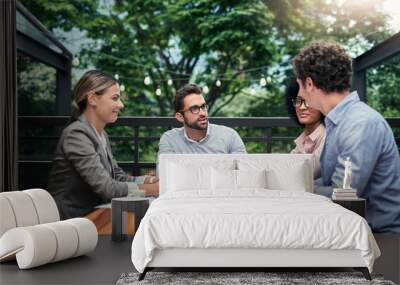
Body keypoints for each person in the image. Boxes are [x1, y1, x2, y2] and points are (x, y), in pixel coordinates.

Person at [293, 41, 400, 233]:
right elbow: (329, 182)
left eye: (300, 86)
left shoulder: (359, 123)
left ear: (309, 84)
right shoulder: (339, 121)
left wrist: (296, 189)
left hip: (380, 239)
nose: (300, 94)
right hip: (357, 229)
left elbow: (344, 193)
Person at [48, 70, 158, 219]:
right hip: (71, 222)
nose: (121, 105)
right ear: (92, 99)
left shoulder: (101, 134)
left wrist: (148, 180)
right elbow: (106, 188)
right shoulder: (76, 135)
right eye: (115, 98)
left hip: (94, 215)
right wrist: (152, 189)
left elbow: (117, 177)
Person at [158, 83, 246, 161]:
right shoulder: (170, 139)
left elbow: (244, 172)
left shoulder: (229, 136)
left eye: (203, 106)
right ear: (180, 117)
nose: (203, 113)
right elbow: (164, 174)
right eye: (194, 109)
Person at [285, 78, 326, 178]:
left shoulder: (327, 137)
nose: (302, 107)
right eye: (298, 101)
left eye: (308, 101)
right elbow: (285, 167)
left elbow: (305, 173)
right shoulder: (304, 138)